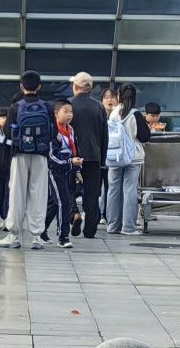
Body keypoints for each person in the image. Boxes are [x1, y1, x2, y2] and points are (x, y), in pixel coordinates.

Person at [0, 70, 54, 250]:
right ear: (39, 86)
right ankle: (37, 237)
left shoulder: (15, 107)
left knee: (16, 193)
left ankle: (13, 234)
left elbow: (7, 133)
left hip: (19, 154)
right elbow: (54, 133)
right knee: (39, 194)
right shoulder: (47, 107)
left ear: (22, 86)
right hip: (41, 156)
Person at [68, 71, 108, 239]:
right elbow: (104, 135)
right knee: (92, 194)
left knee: (68, 189)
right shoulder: (99, 106)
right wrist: (102, 159)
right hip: (93, 156)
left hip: (72, 156)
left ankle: (74, 214)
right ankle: (90, 229)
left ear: (76, 86)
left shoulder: (68, 105)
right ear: (90, 89)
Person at [107, 83, 151, 236]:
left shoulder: (113, 113)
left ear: (119, 95)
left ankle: (112, 226)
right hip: (133, 158)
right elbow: (145, 137)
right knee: (130, 190)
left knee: (113, 190)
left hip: (114, 156)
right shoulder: (135, 114)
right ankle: (128, 227)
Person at [43, 99, 82, 249]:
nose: (69, 115)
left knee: (55, 203)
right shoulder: (53, 131)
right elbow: (52, 156)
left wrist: (77, 169)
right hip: (55, 171)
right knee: (64, 202)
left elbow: (75, 150)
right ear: (55, 113)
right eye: (65, 111)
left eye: (71, 111)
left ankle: (41, 230)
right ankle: (63, 236)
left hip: (69, 170)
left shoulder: (71, 130)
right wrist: (71, 162)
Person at [99, 87, 118, 227]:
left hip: (115, 156)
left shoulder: (120, 116)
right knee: (102, 187)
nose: (109, 100)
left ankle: (109, 214)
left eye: (112, 97)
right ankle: (100, 213)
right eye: (106, 97)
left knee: (111, 186)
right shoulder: (99, 115)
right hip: (102, 155)